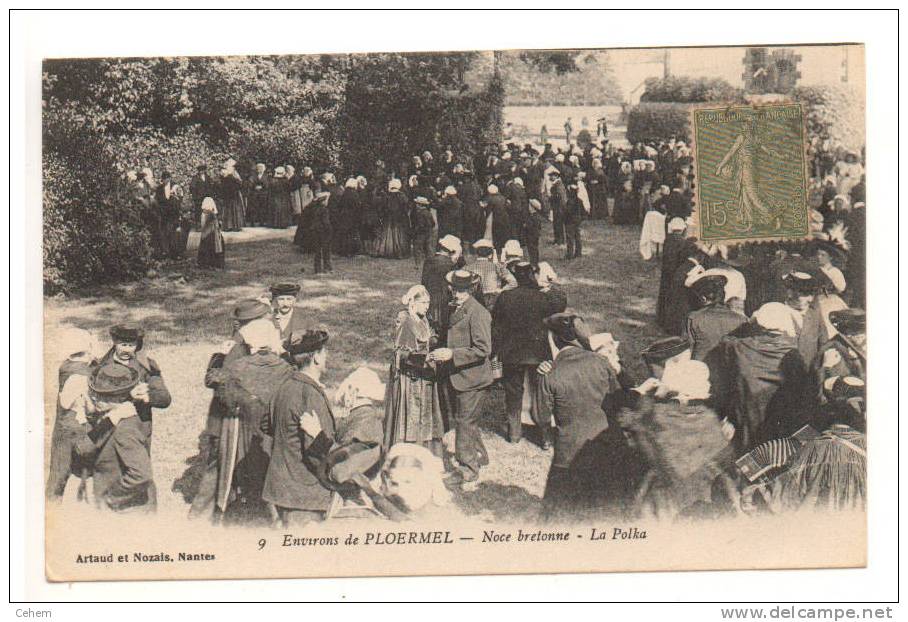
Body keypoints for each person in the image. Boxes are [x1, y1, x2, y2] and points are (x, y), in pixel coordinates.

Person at [539, 313, 643, 522]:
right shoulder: (601, 362)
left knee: (559, 512)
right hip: (605, 444)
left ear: (555, 339)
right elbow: (618, 395)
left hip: (568, 451)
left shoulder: (551, 375)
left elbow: (541, 416)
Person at [617, 358, 731, 519]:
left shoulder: (656, 416)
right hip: (705, 495)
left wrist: (643, 395)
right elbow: (726, 457)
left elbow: (629, 426)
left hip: (665, 499)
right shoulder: (709, 418)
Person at [189, 299, 272, 520]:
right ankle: (202, 516)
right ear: (253, 323)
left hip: (227, 418)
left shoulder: (238, 343)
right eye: (265, 318)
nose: (269, 322)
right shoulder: (240, 348)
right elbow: (223, 386)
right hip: (227, 420)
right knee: (218, 468)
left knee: (221, 467)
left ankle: (212, 512)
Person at [207, 318, 291, 524]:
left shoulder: (238, 367)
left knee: (247, 474)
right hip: (273, 433)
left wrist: (219, 355)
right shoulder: (285, 368)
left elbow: (214, 382)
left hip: (245, 432)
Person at [708, 303, 813, 454]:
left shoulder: (739, 347)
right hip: (779, 419)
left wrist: (749, 324)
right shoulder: (794, 354)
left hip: (747, 416)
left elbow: (725, 341)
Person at [92, 324, 171, 511]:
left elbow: (165, 398)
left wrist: (147, 396)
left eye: (131, 345)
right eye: (122, 344)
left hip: (138, 429)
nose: (127, 349)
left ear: (138, 345)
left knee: (140, 472)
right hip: (109, 429)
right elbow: (94, 400)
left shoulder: (147, 366)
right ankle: (107, 507)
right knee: (110, 471)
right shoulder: (100, 366)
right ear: (114, 343)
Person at [262, 329, 336, 527]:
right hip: (304, 496)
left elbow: (266, 425)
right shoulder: (310, 394)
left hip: (278, 490)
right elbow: (315, 454)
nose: (327, 355)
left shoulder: (283, 385)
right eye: (324, 351)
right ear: (316, 358)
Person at [431, 270, 493, 485]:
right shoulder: (456, 307)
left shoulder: (479, 313)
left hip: (473, 379)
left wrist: (452, 354)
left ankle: (467, 469)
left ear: (471, 290)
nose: (457, 294)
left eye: (462, 291)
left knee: (464, 421)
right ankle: (480, 455)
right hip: (459, 375)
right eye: (455, 289)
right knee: (467, 419)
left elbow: (483, 349)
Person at [493, 262, 554, 446]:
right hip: (537, 352)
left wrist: (496, 349)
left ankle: (514, 434)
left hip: (511, 353)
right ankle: (544, 436)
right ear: (531, 275)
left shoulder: (505, 297)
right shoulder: (541, 298)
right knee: (540, 393)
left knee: (513, 392)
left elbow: (496, 325)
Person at [383, 285, 445, 455]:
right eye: (423, 302)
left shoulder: (423, 319)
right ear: (413, 303)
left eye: (428, 303)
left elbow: (425, 339)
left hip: (424, 376)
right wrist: (423, 358)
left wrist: (433, 343)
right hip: (409, 379)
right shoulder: (406, 322)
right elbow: (401, 354)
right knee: (411, 414)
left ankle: (425, 452)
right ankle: (407, 453)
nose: (427, 306)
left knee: (425, 415)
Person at [46, 329, 99, 501]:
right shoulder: (82, 373)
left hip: (63, 425)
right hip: (77, 426)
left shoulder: (66, 366)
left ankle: (53, 502)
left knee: (59, 470)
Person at [684, 273, 748, 361]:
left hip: (701, 369)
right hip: (729, 370)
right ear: (723, 295)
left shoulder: (693, 317)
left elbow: (686, 350)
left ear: (703, 298)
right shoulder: (741, 319)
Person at [421, 235, 462, 342]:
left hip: (429, 296)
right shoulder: (450, 264)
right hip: (444, 300)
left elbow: (423, 281)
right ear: (452, 250)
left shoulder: (429, 260)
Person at [463, 239, 516, 309]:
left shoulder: (466, 268)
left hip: (473, 304)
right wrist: (500, 290)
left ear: (476, 253)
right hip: (493, 303)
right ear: (491, 254)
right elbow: (513, 283)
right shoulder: (498, 267)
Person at [375, 178, 412, 259]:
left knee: (388, 233)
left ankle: (388, 251)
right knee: (399, 234)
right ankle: (399, 251)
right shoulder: (402, 195)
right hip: (400, 218)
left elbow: (383, 207)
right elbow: (407, 206)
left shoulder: (387, 195)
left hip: (389, 217)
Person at [308, 190, 333, 274]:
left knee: (317, 251)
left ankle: (317, 269)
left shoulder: (315, 208)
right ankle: (327, 268)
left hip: (315, 230)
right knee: (326, 250)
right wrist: (329, 229)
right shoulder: (325, 210)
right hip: (323, 231)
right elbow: (326, 222)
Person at [197, 197, 225, 269]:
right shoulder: (211, 213)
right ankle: (213, 263)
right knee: (213, 248)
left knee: (206, 248)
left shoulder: (206, 213)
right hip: (212, 233)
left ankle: (205, 263)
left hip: (207, 234)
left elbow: (203, 224)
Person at [218, 159, 246, 232]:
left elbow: (240, 183)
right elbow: (224, 183)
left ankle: (234, 225)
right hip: (229, 193)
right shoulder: (225, 173)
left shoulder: (233, 173)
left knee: (234, 209)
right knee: (229, 209)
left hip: (234, 193)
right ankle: (229, 226)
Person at [411, 196, 436, 270]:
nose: (416, 205)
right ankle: (431, 263)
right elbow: (433, 223)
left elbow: (419, 225)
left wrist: (415, 231)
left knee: (418, 249)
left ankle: (418, 264)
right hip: (428, 232)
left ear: (420, 205)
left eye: (417, 204)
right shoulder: (428, 213)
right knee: (428, 248)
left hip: (420, 233)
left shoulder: (419, 214)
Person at [564, 183, 585, 260]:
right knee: (577, 237)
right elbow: (584, 212)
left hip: (570, 221)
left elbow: (567, 211)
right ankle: (578, 252)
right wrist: (580, 219)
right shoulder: (579, 201)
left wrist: (565, 218)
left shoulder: (570, 202)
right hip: (577, 221)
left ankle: (569, 254)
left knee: (570, 238)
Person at [547, 168, 567, 245]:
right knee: (556, 223)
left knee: (558, 223)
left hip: (559, 207)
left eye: (551, 176)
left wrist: (551, 197)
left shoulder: (558, 184)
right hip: (557, 207)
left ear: (555, 176)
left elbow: (559, 196)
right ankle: (558, 239)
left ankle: (560, 240)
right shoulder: (557, 184)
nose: (550, 178)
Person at [246, 163, 270, 227]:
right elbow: (250, 183)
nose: (260, 169)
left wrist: (262, 187)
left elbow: (268, 184)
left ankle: (262, 222)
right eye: (259, 168)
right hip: (254, 194)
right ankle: (252, 222)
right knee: (253, 208)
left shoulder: (267, 176)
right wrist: (254, 187)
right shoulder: (253, 176)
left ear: (264, 169)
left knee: (263, 208)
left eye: (261, 168)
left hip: (263, 194)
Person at [524, 199, 545, 265]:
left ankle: (533, 262)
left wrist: (525, 225)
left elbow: (530, 226)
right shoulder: (536, 216)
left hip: (531, 235)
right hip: (535, 235)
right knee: (534, 249)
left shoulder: (532, 216)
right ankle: (535, 261)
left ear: (532, 207)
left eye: (529, 206)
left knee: (532, 249)